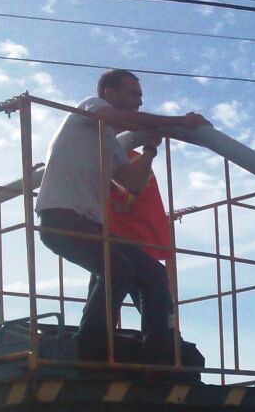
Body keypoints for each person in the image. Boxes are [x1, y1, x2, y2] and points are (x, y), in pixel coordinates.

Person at [34, 69, 208, 361]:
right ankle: (91, 343)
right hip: (60, 218)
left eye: (140, 96)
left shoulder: (112, 144)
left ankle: (158, 349)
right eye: (132, 94)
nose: (138, 102)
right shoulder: (88, 108)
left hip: (90, 225)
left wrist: (150, 149)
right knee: (118, 268)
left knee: (153, 272)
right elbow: (120, 119)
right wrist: (179, 121)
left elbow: (132, 184)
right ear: (108, 94)